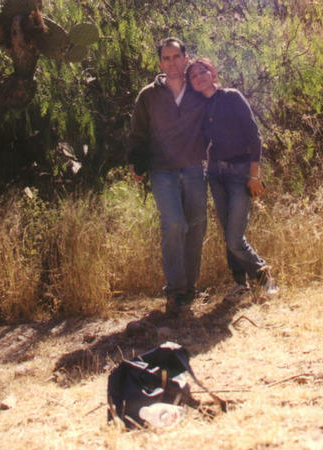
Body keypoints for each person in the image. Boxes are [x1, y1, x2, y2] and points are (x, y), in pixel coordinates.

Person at [127, 38, 208, 314]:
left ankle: (189, 289)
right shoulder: (148, 95)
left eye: (177, 57)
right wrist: (137, 164)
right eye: (167, 58)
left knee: (196, 227)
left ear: (186, 59)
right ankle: (175, 291)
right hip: (162, 171)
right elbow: (137, 133)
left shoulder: (198, 90)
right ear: (160, 63)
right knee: (174, 224)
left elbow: (215, 119)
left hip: (195, 168)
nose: (172, 62)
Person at [186, 58, 278, 299]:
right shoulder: (199, 107)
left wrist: (254, 176)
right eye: (193, 75)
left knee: (234, 237)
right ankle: (240, 283)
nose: (199, 77)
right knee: (228, 232)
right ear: (191, 84)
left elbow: (254, 136)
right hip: (215, 174)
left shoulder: (232, 97)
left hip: (240, 174)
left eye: (202, 71)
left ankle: (264, 276)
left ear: (213, 72)